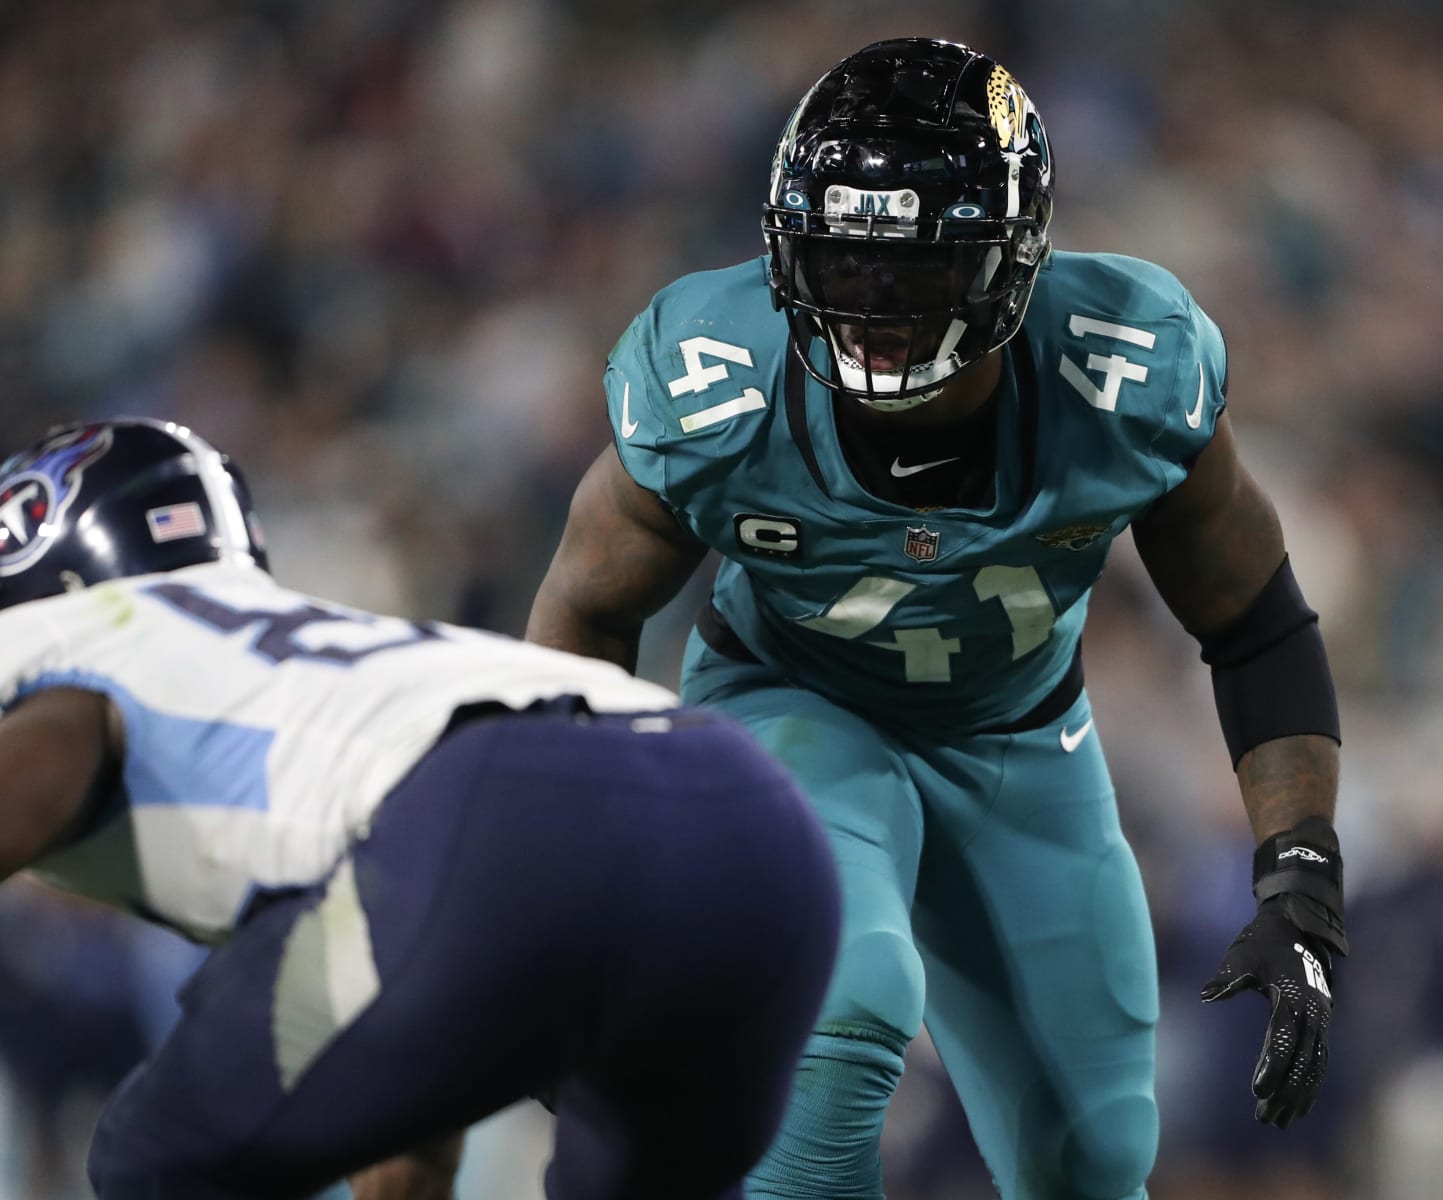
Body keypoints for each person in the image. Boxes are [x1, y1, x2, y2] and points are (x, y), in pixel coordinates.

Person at [528, 37, 1348, 1200]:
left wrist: (1301, 874)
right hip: (786, 701)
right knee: (842, 1007)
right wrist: (568, 883)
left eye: (912, 268)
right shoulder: (717, 383)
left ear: (1013, 258)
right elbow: (585, 608)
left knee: (1094, 1150)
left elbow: (1257, 622)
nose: (870, 305)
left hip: (1018, 736)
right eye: (843, 259)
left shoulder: (1123, 371)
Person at [0, 418, 841, 1200]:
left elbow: (64, 739)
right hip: (750, 821)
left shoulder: (70, 635)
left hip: (487, 823)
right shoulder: (278, 649)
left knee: (154, 1157)